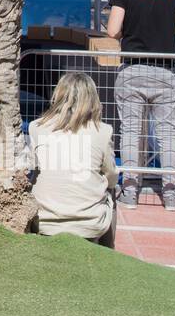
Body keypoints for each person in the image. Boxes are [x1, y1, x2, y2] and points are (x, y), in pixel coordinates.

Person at [106, 0, 175, 211]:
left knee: (130, 131)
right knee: (167, 133)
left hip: (134, 67)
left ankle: (130, 190)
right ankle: (171, 193)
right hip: (165, 69)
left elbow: (112, 30)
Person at [29, 72, 119, 245]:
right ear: (92, 98)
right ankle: (107, 253)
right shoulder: (103, 131)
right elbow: (111, 176)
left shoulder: (37, 127)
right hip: (88, 224)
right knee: (113, 190)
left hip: (44, 220)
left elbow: (33, 167)